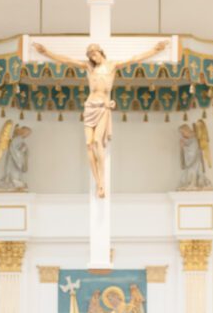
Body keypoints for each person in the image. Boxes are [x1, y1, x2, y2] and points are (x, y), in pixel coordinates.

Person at [32, 40, 168, 198]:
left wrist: (155, 50)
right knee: (88, 145)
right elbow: (67, 60)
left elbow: (134, 59)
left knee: (97, 141)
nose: (92, 57)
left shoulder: (112, 66)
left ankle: (102, 182)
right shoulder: (89, 67)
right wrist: (46, 52)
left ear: (100, 52)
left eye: (94, 54)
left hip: (103, 108)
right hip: (90, 107)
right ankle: (98, 182)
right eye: (90, 55)